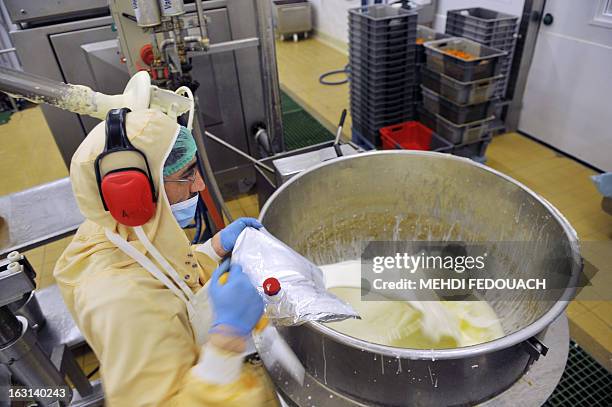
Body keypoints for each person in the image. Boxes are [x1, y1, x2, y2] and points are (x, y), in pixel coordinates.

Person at [54, 109, 280, 406]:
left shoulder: (120, 227)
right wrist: (226, 340)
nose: (200, 185)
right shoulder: (119, 302)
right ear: (133, 195)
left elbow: (160, 270)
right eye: (187, 175)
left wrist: (213, 249)